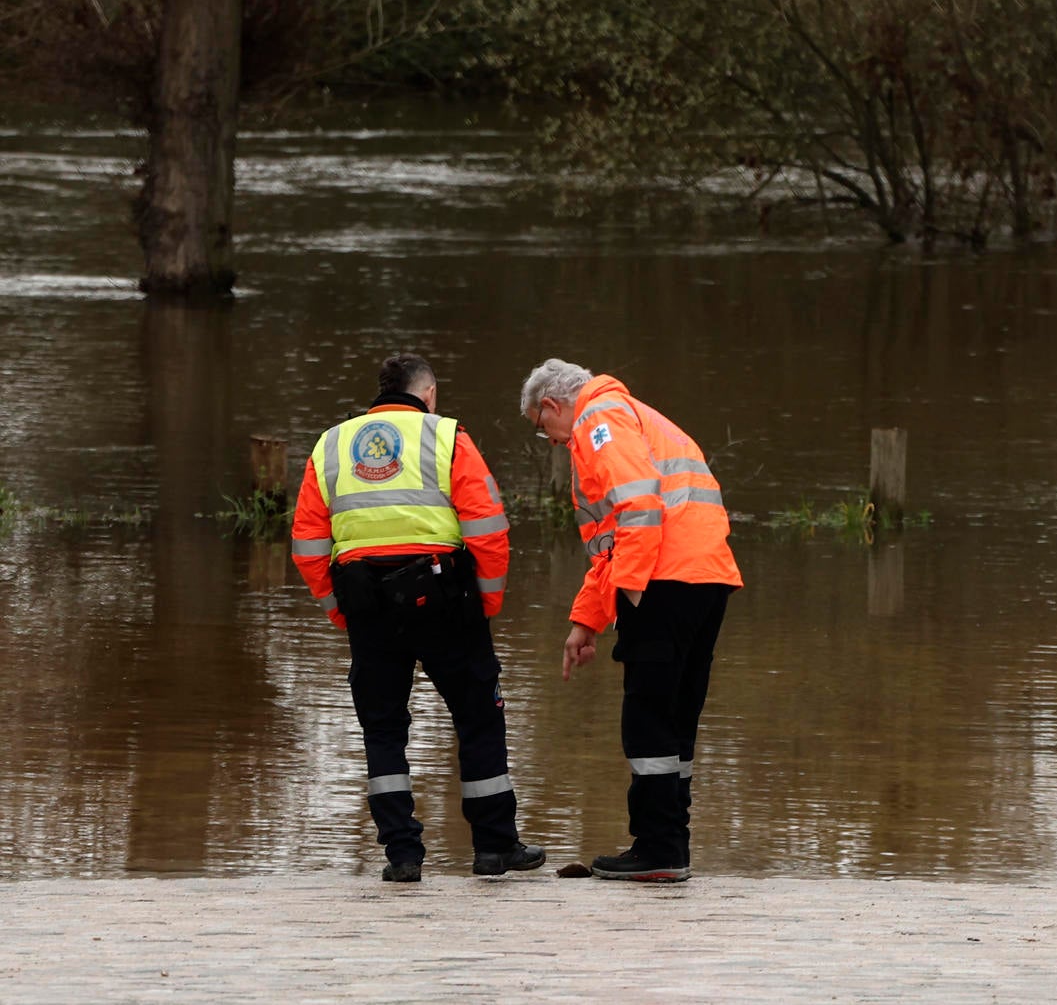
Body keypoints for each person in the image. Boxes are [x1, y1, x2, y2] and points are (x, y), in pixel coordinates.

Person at [291, 353, 544, 883]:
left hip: (364, 600)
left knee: (382, 728)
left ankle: (402, 855)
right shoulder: (447, 436)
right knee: (478, 715)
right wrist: (487, 604)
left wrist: (339, 610)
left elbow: (308, 544)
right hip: (443, 595)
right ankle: (494, 849)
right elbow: (488, 530)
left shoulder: (331, 444)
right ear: (429, 394)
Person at [519, 358, 742, 882]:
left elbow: (639, 511)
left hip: (662, 580)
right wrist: (587, 620)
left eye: (542, 427)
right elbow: (610, 546)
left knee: (647, 719)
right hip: (705, 578)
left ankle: (658, 849)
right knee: (675, 718)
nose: (550, 441)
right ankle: (670, 846)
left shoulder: (600, 421)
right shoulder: (637, 415)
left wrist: (632, 595)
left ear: (552, 406)